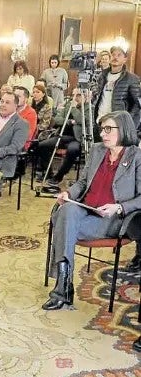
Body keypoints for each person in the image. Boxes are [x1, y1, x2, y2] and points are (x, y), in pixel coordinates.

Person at [43, 111, 141, 310]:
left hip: (114, 219)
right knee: (67, 210)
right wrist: (68, 193)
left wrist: (119, 207)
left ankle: (63, 289)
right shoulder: (97, 150)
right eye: (102, 129)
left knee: (63, 221)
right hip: (86, 209)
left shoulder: (137, 157)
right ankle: (64, 287)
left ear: (123, 130)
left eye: (108, 129)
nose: (102, 134)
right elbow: (82, 183)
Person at [37, 89, 96, 189]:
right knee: (42, 145)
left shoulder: (89, 108)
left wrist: (74, 109)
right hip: (63, 136)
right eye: (73, 95)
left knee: (72, 150)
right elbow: (57, 119)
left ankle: (59, 176)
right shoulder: (68, 105)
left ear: (85, 96)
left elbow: (83, 121)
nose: (75, 98)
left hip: (78, 138)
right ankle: (49, 172)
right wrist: (69, 121)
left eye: (78, 95)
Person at [93, 46, 141, 130]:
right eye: (113, 55)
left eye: (119, 55)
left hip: (118, 124)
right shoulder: (102, 76)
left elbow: (137, 104)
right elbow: (98, 96)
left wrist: (128, 122)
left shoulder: (132, 79)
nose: (115, 57)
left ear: (125, 59)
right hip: (100, 120)